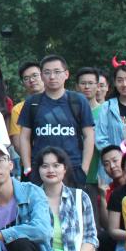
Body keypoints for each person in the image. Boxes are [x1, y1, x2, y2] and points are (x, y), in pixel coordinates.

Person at [18, 55, 95, 185]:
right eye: (47, 72)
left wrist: (84, 169)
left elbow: (89, 135)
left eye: (57, 72)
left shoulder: (78, 101)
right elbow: (24, 137)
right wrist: (27, 168)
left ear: (66, 74)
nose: (52, 77)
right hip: (41, 169)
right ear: (42, 76)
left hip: (72, 168)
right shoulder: (32, 103)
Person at [74, 66, 104, 197]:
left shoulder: (105, 111)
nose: (87, 87)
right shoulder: (70, 112)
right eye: (83, 83)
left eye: (91, 83)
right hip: (74, 173)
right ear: (76, 86)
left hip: (98, 173)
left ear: (98, 86)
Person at [8, 61, 43, 155]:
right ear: (23, 83)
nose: (31, 80)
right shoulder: (18, 109)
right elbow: (17, 143)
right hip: (31, 161)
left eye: (35, 75)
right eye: (26, 78)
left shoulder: (58, 103)